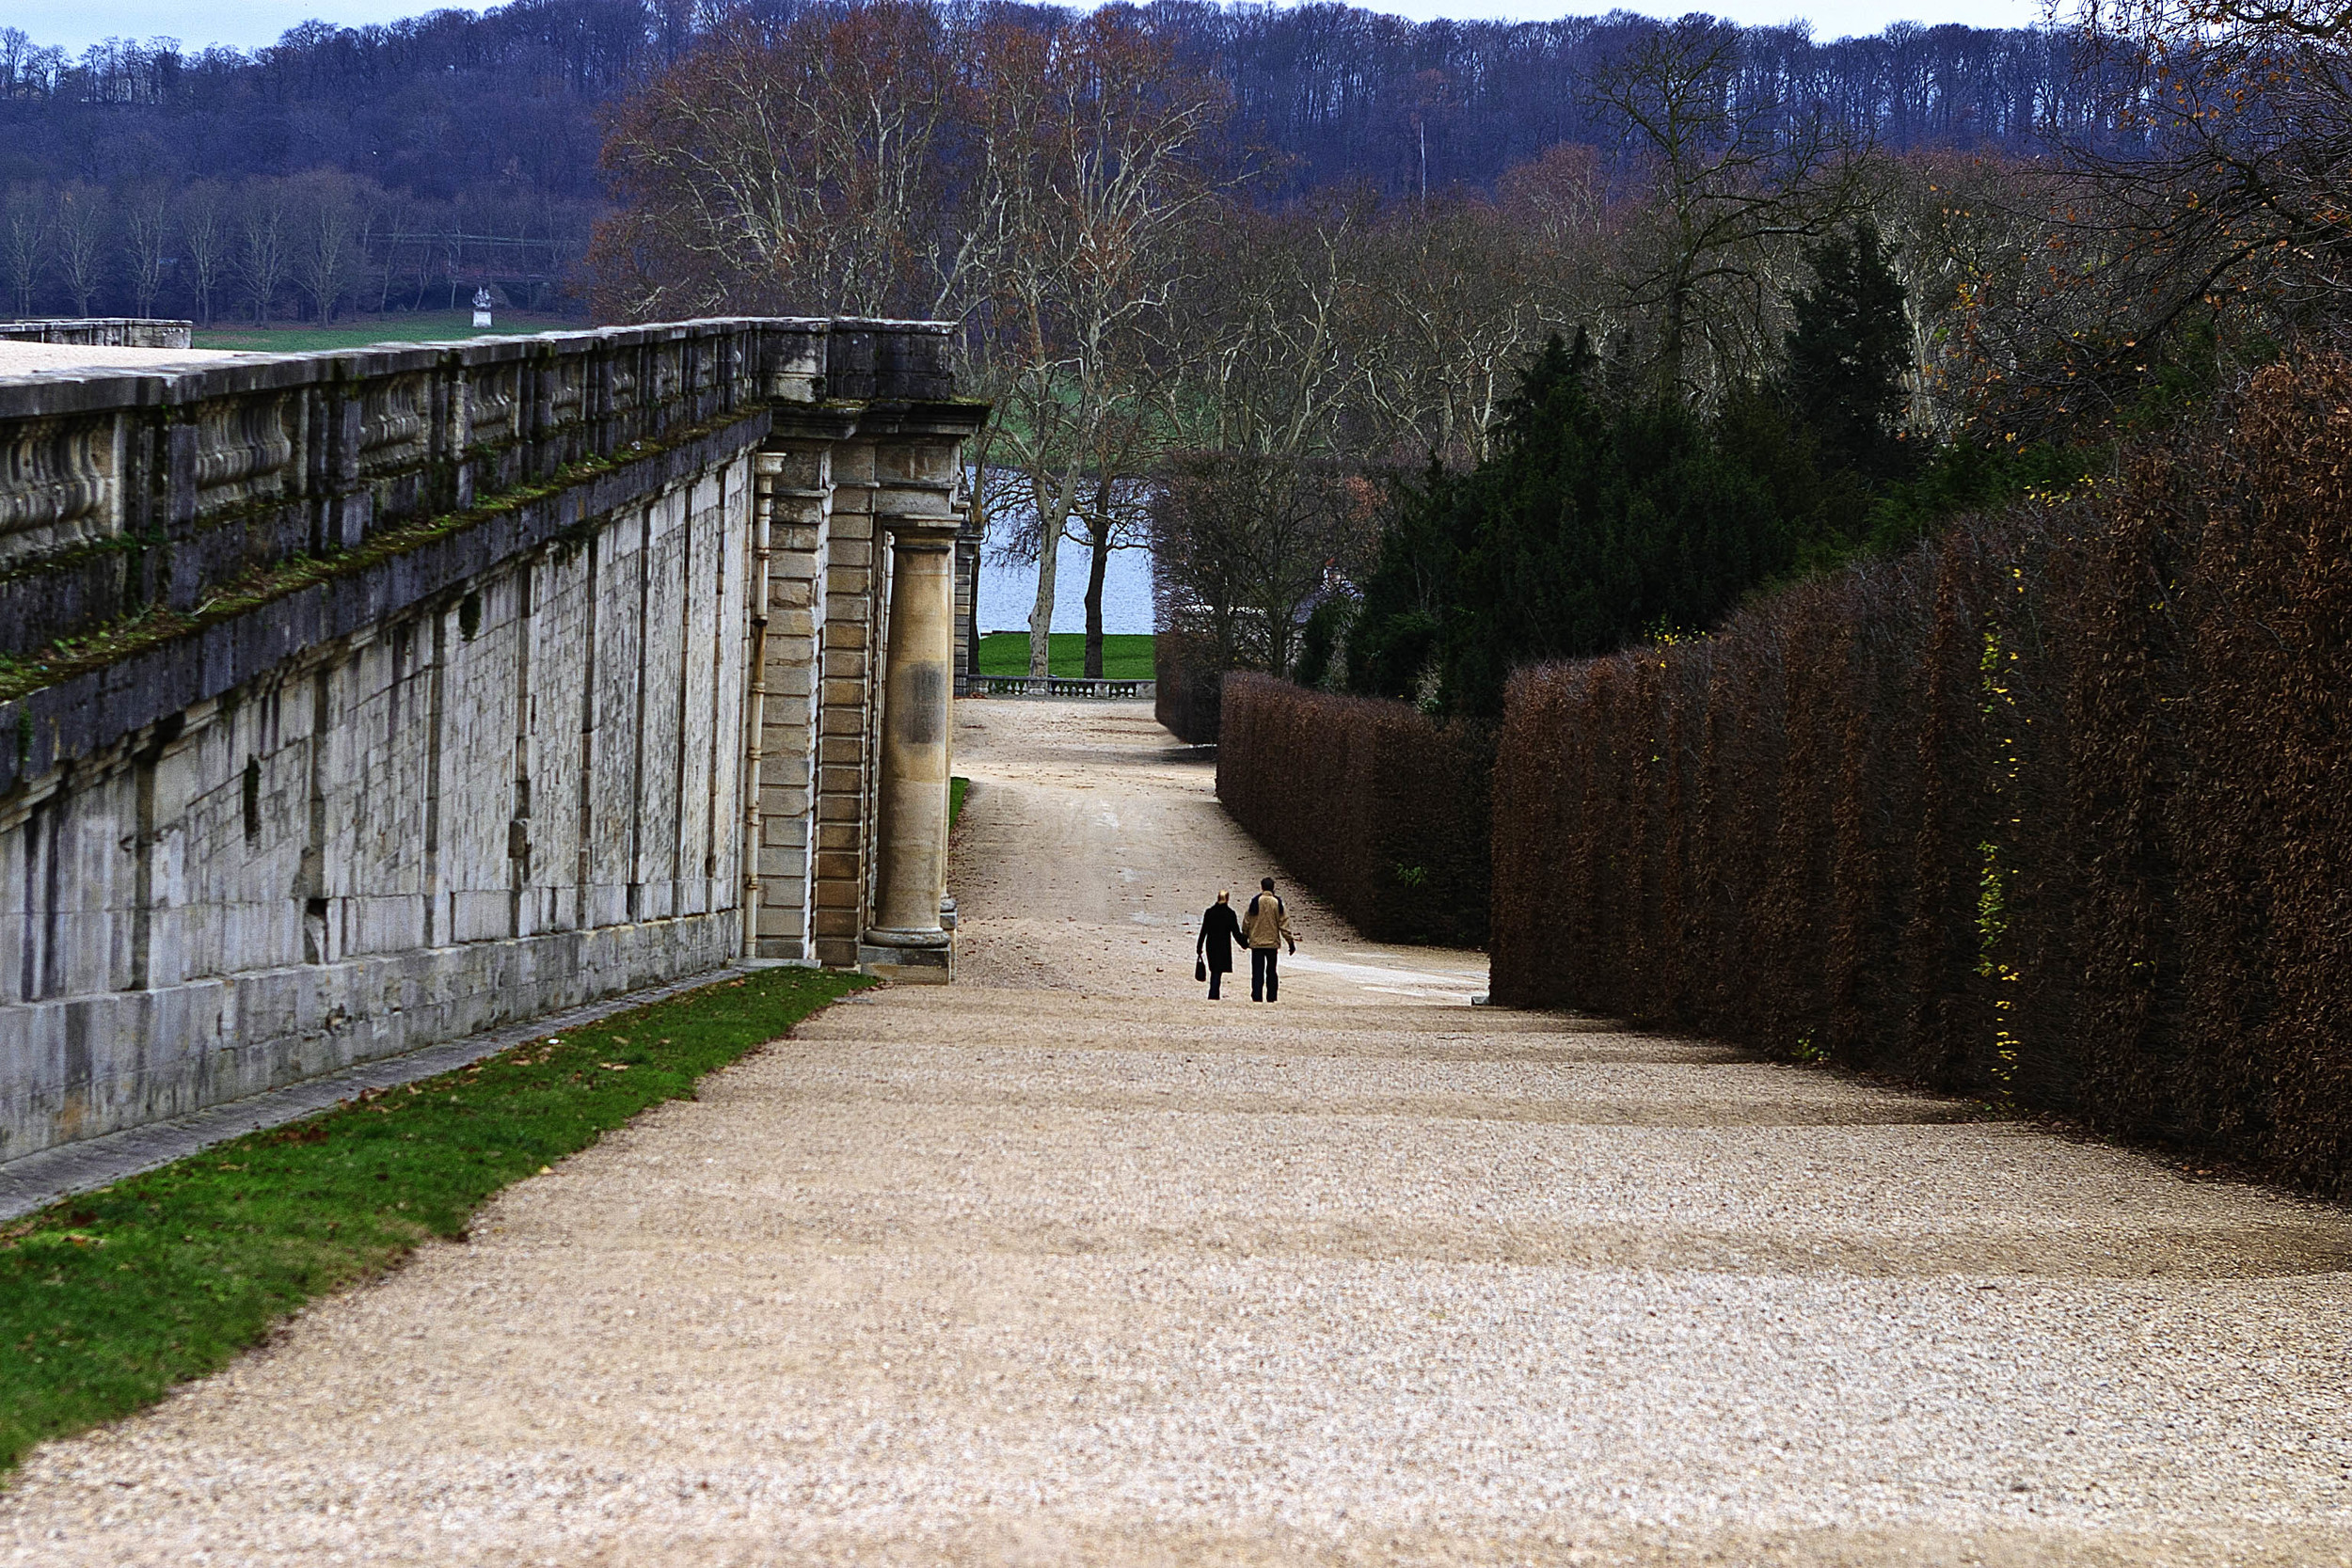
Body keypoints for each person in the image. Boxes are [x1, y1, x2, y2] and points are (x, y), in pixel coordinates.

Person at [1242, 876, 1295, 1002]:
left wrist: (1244, 937)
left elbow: (1247, 921)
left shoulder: (1255, 902)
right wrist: (1290, 942)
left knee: (1257, 972)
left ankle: (1257, 996)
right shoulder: (1277, 903)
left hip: (1256, 943)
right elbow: (1284, 925)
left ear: (1262, 887)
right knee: (1271, 971)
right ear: (1273, 888)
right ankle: (1271, 996)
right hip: (1272, 944)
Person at [1197, 890, 1242, 999]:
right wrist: (1245, 944)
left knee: (1214, 969)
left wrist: (1199, 946)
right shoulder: (1230, 914)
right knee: (1218, 971)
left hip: (1211, 945)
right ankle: (1214, 993)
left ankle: (1213, 993)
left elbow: (1204, 931)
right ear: (1227, 899)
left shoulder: (1209, 912)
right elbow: (1236, 933)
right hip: (1223, 947)